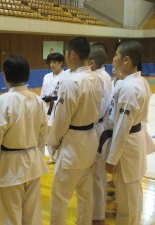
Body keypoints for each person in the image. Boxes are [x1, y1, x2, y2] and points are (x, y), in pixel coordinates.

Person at [0, 55, 49, 225]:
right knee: (32, 212)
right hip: (33, 160)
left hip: (11, 164)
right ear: (28, 74)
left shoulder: (1, 103)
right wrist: (37, 154)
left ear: (5, 75)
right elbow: (43, 133)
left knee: (11, 213)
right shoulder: (38, 100)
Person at [47, 36, 102, 225]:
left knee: (59, 199)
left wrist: (52, 142)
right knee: (86, 196)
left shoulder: (71, 82)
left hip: (73, 145)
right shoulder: (97, 77)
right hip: (90, 140)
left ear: (72, 54)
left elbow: (62, 119)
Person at [106, 40, 152, 225]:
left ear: (126, 59)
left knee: (127, 200)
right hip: (133, 141)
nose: (113, 59)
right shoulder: (138, 81)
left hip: (128, 146)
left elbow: (123, 127)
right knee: (132, 195)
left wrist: (112, 159)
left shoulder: (130, 88)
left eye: (116, 55)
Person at [88, 44, 112, 225]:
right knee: (98, 174)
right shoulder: (104, 75)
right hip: (101, 127)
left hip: (96, 128)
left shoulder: (97, 78)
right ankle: (96, 212)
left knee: (96, 174)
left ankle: (97, 217)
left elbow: (96, 109)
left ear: (92, 62)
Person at [40, 52, 65, 164]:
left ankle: (59, 154)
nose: (52, 64)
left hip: (58, 105)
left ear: (61, 63)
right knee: (48, 131)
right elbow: (43, 92)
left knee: (58, 131)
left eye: (54, 62)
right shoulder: (46, 76)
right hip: (46, 106)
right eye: (50, 62)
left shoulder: (65, 76)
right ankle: (51, 156)